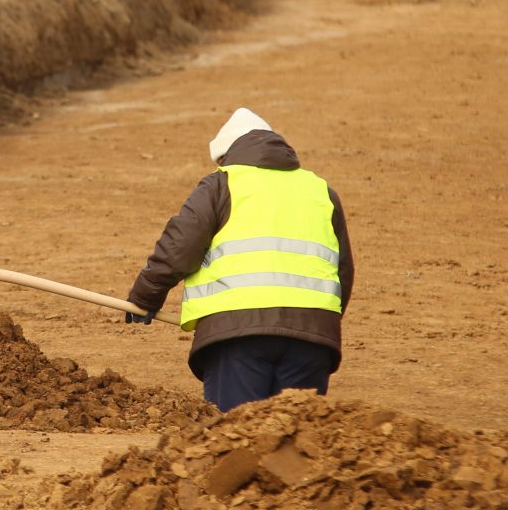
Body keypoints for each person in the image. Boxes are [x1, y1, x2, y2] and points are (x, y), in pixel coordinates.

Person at [125, 107, 355, 413]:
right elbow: (343, 271)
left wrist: (146, 296)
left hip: (238, 339)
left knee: (236, 441)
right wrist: (311, 326)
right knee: (295, 446)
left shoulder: (221, 184)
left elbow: (179, 247)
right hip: (312, 340)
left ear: (226, 157)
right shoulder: (321, 191)